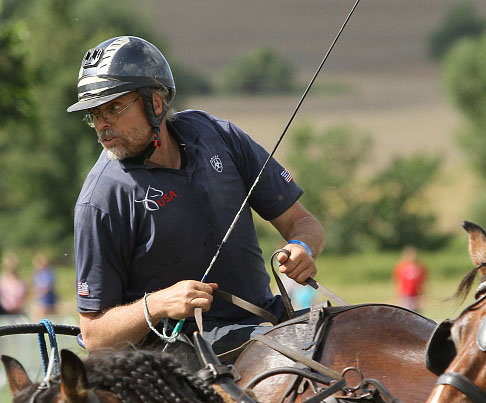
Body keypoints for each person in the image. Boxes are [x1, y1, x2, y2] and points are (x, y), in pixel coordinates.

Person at [68, 36, 324, 357]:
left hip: (266, 323)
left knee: (353, 336)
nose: (102, 124)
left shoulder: (218, 135)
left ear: (155, 103)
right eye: (94, 114)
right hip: (177, 354)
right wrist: (158, 305)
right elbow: (94, 335)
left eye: (114, 108)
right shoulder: (101, 199)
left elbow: (303, 222)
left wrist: (302, 247)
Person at [392, 246, 427, 312]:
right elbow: (397, 282)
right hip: (406, 295)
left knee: (417, 313)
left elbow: (423, 282)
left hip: (416, 295)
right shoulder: (401, 266)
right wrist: (397, 297)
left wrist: (423, 296)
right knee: (407, 312)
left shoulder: (420, 267)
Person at [0, 252, 28, 317]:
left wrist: (18, 306)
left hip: (18, 312)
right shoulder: (1, 281)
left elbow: (25, 296)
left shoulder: (21, 281)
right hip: (3, 312)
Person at [31, 252, 58, 317]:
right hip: (41, 300)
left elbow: (47, 287)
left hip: (47, 300)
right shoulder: (37, 274)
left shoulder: (48, 273)